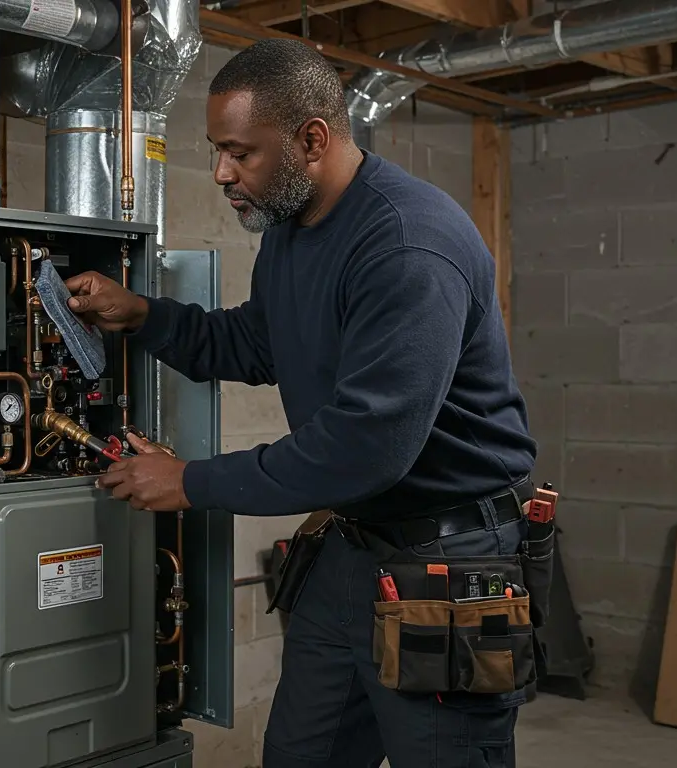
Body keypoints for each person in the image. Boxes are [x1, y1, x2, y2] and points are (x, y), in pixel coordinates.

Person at [63, 39, 540, 768]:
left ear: (311, 140)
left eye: (240, 153)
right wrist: (144, 317)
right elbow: (258, 343)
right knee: (300, 754)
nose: (222, 172)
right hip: (355, 549)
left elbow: (365, 447)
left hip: (448, 561)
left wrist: (191, 482)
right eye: (217, 151)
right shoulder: (293, 233)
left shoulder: (407, 245)